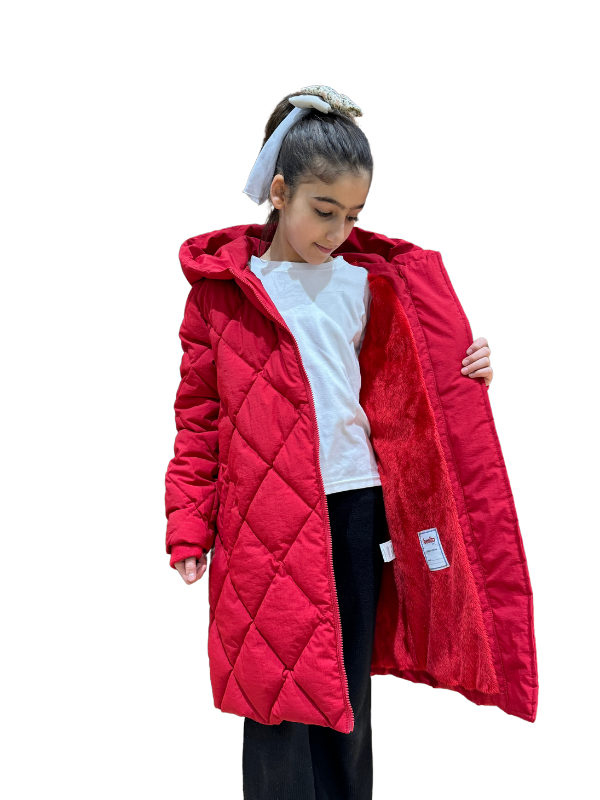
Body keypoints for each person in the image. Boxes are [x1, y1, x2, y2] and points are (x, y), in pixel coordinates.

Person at [164, 86, 537, 799]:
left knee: (347, 691)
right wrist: (188, 524)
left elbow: (412, 393)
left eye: (354, 215)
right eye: (324, 210)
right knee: (274, 698)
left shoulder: (366, 284)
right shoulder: (223, 292)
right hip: (262, 521)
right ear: (280, 192)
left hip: (359, 510)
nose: (337, 231)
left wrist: (469, 372)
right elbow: (198, 420)